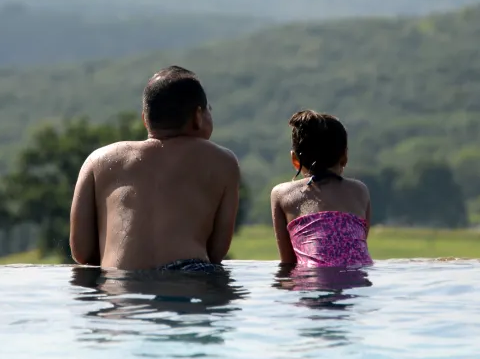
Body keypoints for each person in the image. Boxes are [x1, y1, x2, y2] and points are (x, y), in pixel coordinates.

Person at [69, 66, 241, 272]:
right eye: (209, 110)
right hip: (189, 277)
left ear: (145, 119)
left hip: (122, 285)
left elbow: (82, 253)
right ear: (198, 116)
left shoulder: (97, 160)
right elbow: (216, 252)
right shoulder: (222, 160)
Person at [270, 110, 373, 267]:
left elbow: (288, 262)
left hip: (313, 281)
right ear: (344, 156)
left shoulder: (281, 193)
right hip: (357, 282)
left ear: (295, 160)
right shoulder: (360, 190)